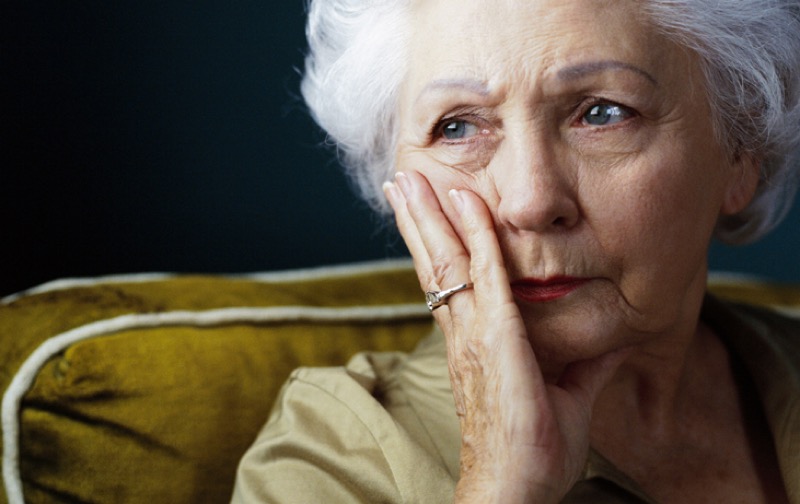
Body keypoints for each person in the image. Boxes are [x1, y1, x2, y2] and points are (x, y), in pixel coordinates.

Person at [232, 0, 800, 502]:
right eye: (457, 128)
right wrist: (499, 487)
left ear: (741, 153)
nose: (529, 201)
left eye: (602, 113)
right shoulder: (328, 457)